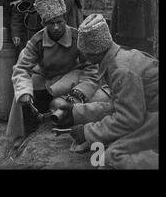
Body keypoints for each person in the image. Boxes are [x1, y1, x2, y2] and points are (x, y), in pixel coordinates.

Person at [57, 14, 158, 169]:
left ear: (92, 52)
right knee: (107, 141)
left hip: (154, 115)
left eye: (83, 51)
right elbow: (119, 105)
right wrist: (76, 112)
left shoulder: (120, 69)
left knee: (112, 156)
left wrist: (88, 132)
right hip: (148, 110)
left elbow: (128, 119)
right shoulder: (118, 57)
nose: (82, 55)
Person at [7, 0, 101, 147]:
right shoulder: (36, 41)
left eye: (59, 21)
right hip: (46, 77)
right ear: (44, 24)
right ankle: (21, 134)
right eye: (51, 23)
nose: (56, 27)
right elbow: (21, 69)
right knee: (21, 95)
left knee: (73, 104)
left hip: (70, 77)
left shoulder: (78, 38)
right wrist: (24, 92)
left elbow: (92, 67)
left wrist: (81, 91)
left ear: (65, 18)